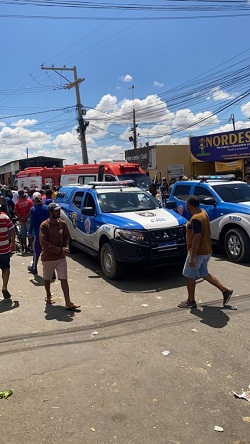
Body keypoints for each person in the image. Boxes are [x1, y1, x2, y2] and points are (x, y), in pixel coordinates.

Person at [178, 195, 233, 308]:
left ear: (188, 205)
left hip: (198, 252)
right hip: (207, 250)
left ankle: (191, 301)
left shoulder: (196, 219)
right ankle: (225, 291)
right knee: (204, 273)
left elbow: (197, 237)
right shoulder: (203, 213)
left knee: (189, 275)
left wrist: (192, 257)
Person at [39, 202, 80, 310]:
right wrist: (59, 249)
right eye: (56, 211)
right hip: (48, 258)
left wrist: (66, 246)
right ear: (50, 212)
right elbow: (44, 243)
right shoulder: (44, 225)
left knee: (64, 279)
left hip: (61, 258)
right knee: (47, 279)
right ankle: (48, 295)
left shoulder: (62, 223)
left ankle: (68, 302)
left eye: (58, 210)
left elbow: (67, 236)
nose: (58, 212)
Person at [27, 192, 49, 275]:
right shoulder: (46, 208)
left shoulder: (33, 209)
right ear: (41, 199)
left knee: (36, 251)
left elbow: (32, 223)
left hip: (38, 232)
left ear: (33, 200)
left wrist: (29, 232)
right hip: (48, 232)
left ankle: (34, 268)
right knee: (48, 251)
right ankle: (52, 272)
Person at [0, 203, 16, 299]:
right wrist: (13, 243)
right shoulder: (4, 217)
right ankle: (4, 286)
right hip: (4, 249)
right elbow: (12, 230)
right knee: (5, 268)